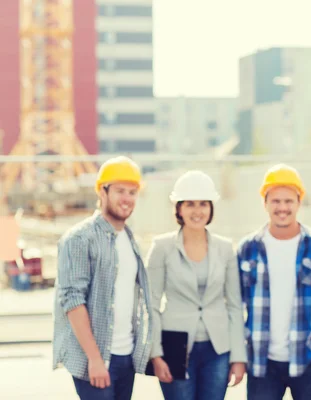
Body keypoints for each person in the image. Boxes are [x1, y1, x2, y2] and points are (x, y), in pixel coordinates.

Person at [237, 164, 311, 400]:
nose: (282, 207)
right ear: (265, 203)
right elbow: (234, 306)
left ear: (299, 202)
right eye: (276, 201)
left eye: (289, 201)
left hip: (308, 360)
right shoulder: (247, 249)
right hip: (262, 364)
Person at [53, 156, 153, 399]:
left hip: (125, 356)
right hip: (96, 360)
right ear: (102, 191)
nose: (127, 199)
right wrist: (95, 359)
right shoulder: (79, 238)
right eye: (120, 191)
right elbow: (72, 300)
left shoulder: (130, 239)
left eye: (132, 192)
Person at [146, 170, 246, 400]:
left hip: (217, 348)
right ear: (179, 208)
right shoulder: (162, 248)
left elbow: (234, 305)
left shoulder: (224, 248)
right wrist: (156, 354)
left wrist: (238, 357)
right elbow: (150, 303)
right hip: (174, 345)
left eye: (203, 204)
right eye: (190, 204)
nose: (197, 211)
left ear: (211, 208)